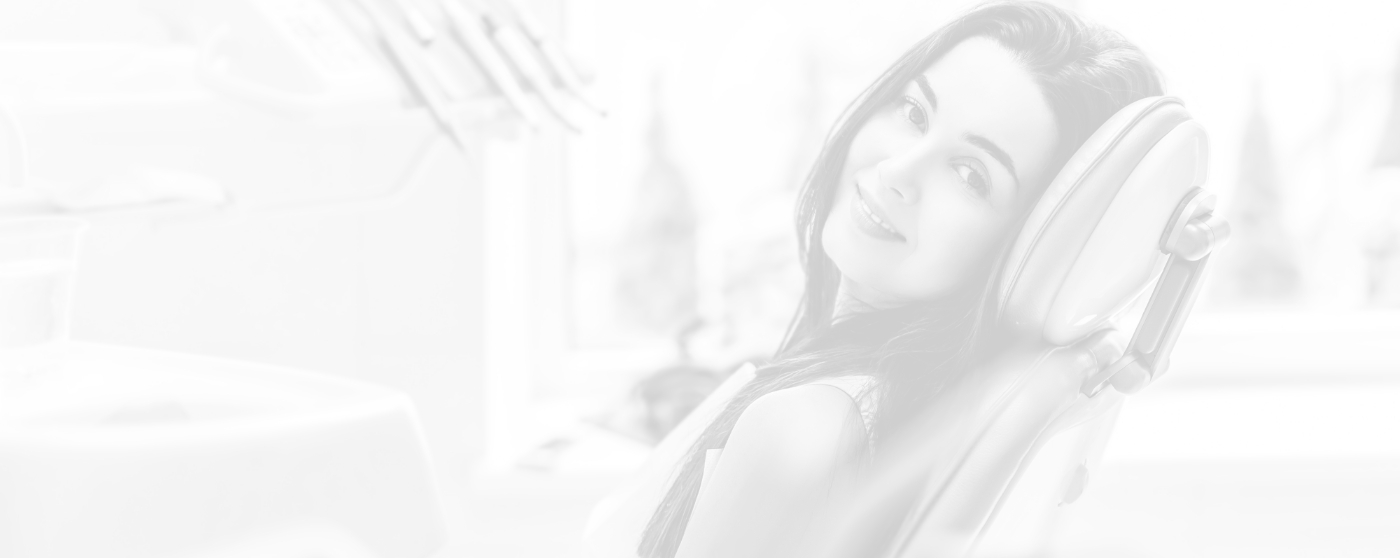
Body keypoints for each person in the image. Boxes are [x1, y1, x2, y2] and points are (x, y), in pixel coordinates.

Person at [580, 2, 1164, 557]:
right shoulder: (913, 409)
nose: (898, 172)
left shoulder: (803, 432)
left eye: (971, 175)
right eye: (914, 113)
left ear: (1029, 247)